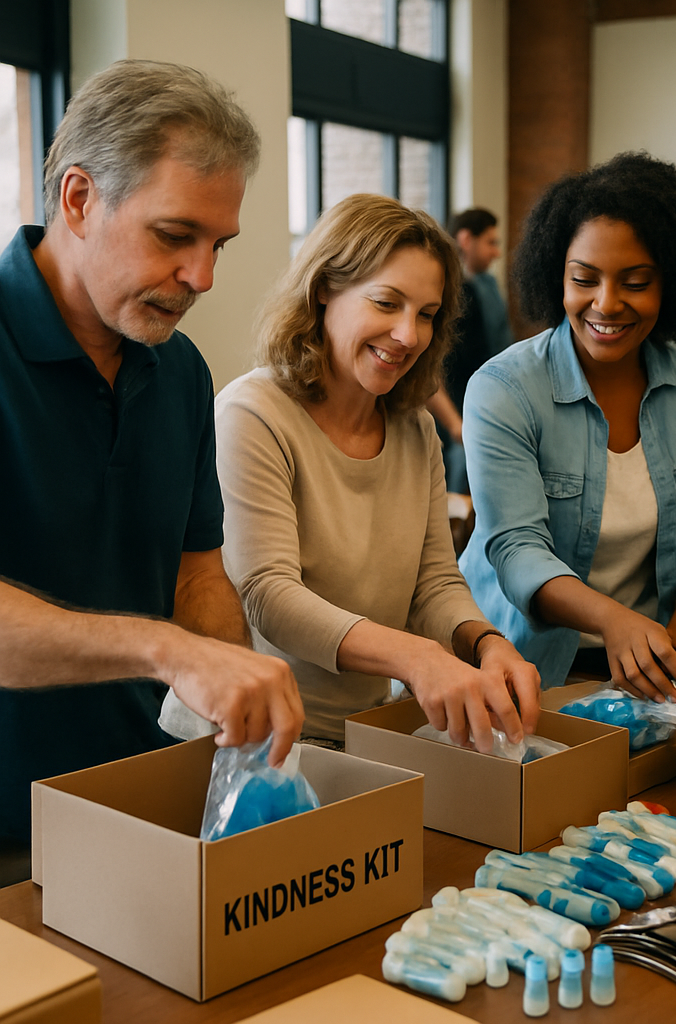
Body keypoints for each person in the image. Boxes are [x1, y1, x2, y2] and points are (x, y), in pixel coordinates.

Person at [0, 60, 304, 850]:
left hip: (136, 802)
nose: (200, 277)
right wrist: (171, 652)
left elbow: (197, 572)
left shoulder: (179, 371)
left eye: (217, 245)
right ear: (78, 199)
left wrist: (227, 677)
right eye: (174, 236)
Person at [161, 194, 541, 752]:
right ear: (323, 292)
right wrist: (417, 657)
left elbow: (434, 584)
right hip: (242, 739)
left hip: (362, 733)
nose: (409, 335)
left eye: (427, 314)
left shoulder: (414, 429)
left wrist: (487, 643)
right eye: (387, 303)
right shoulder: (253, 411)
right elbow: (268, 594)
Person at [459, 153, 676, 695]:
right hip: (516, 669)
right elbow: (517, 549)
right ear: (556, 275)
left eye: (635, 282)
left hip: (645, 668)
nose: (606, 304)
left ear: (671, 285)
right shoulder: (504, 388)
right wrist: (616, 620)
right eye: (584, 279)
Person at [426, 207, 514, 494]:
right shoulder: (450, 294)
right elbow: (433, 367)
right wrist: (455, 424)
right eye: (491, 242)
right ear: (466, 240)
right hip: (457, 412)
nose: (496, 252)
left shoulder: (487, 286)